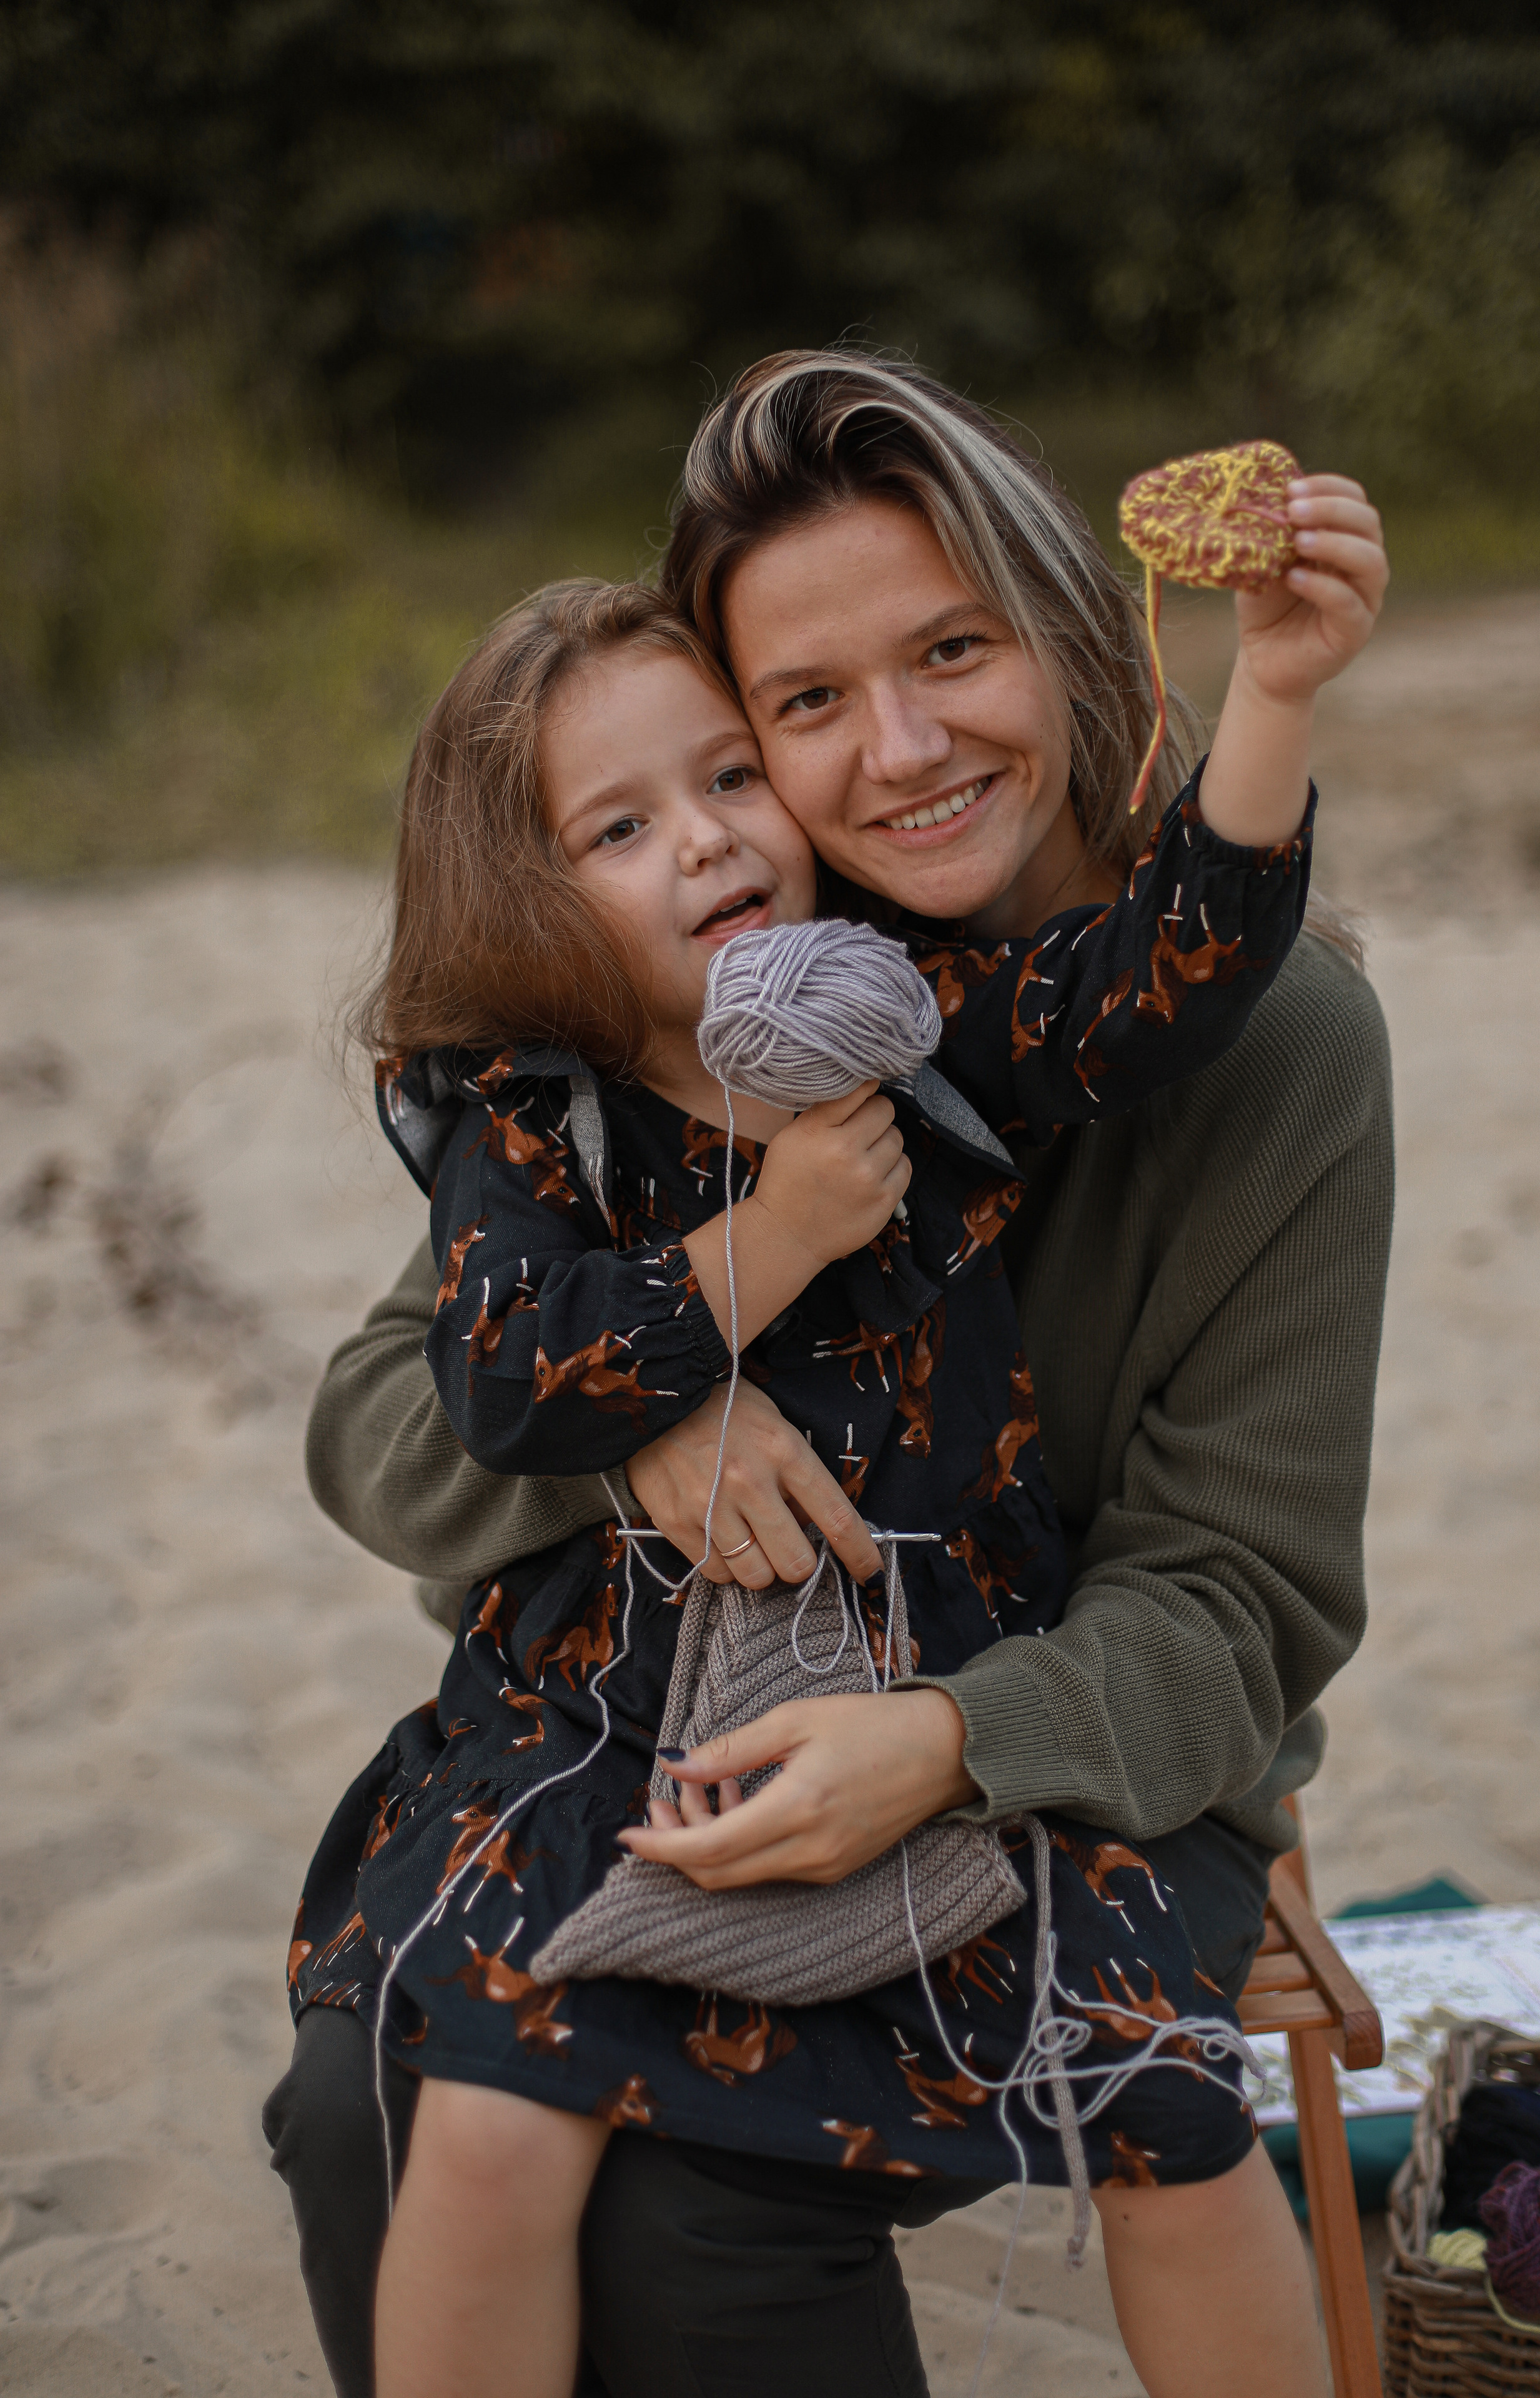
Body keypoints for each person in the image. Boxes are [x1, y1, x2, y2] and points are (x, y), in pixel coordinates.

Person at [267, 353, 1394, 2398]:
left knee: (701, 2200)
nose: (896, 752)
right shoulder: (717, 983)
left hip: (1069, 1731)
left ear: (1067, 630)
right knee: (368, 2111)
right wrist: (659, 1410)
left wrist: (949, 1742)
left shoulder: (1168, 1035)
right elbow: (395, 1413)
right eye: (802, 706)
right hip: (677, 1707)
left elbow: (1241, 1599)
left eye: (954, 649)